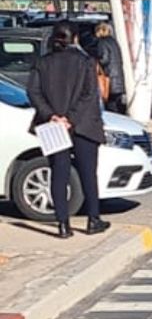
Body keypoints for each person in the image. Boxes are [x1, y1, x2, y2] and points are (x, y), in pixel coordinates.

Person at [26, 22, 110, 239]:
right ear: (75, 39)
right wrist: (69, 118)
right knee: (87, 173)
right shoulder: (85, 63)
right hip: (83, 125)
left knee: (59, 173)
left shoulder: (42, 63)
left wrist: (51, 115)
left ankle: (63, 224)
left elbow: (33, 92)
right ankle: (93, 219)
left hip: (52, 126)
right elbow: (89, 94)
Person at [94, 22, 126, 114]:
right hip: (118, 79)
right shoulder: (113, 42)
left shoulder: (102, 42)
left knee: (110, 107)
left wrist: (96, 60)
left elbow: (104, 59)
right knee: (117, 105)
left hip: (108, 80)